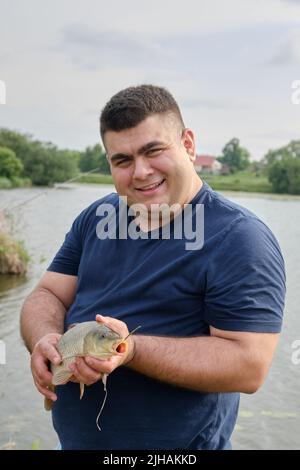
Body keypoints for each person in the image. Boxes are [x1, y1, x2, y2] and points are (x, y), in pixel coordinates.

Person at [20, 85, 285, 450]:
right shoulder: (97, 217)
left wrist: (129, 350)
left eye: (153, 151)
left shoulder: (240, 238)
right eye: (123, 160)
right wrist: (44, 340)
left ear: (188, 144)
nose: (141, 172)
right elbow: (48, 293)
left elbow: (249, 364)